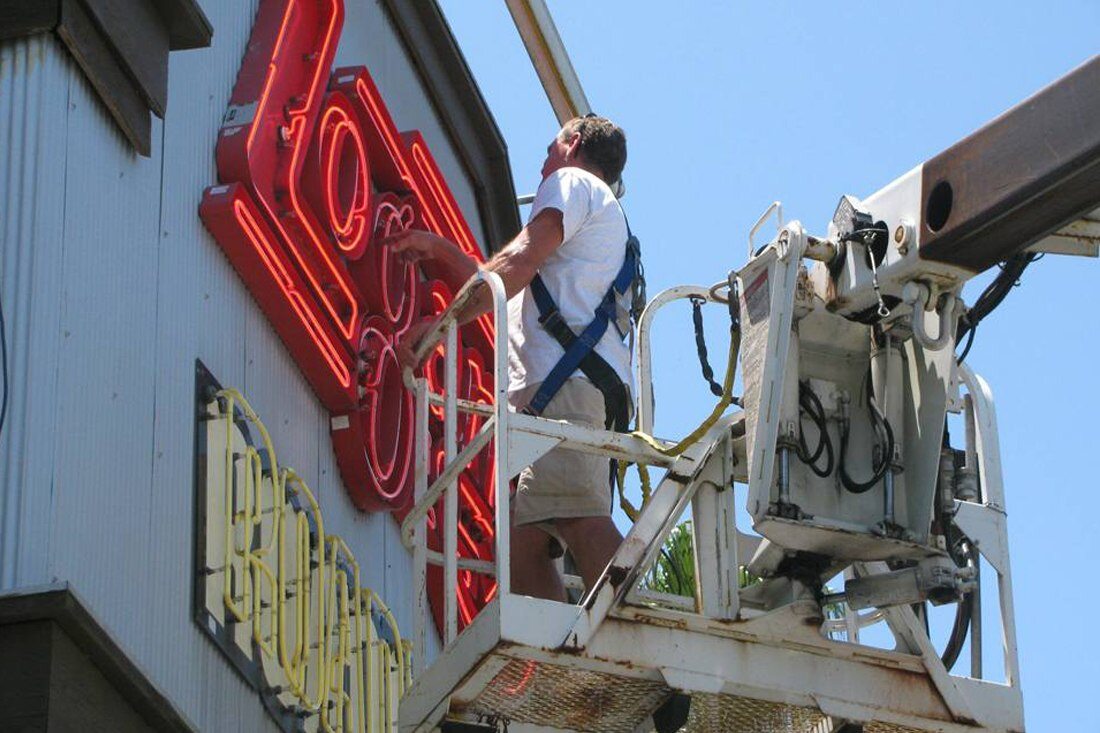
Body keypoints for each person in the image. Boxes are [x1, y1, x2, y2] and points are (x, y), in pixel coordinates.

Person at [390, 115, 632, 602]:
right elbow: (501, 284)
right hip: (561, 390)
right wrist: (439, 249)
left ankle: (637, 633)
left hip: (565, 387)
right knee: (522, 545)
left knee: (575, 513)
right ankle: (556, 661)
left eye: (548, 149)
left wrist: (439, 330)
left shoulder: (571, 181)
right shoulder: (592, 224)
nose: (542, 164)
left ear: (573, 144)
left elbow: (515, 265)